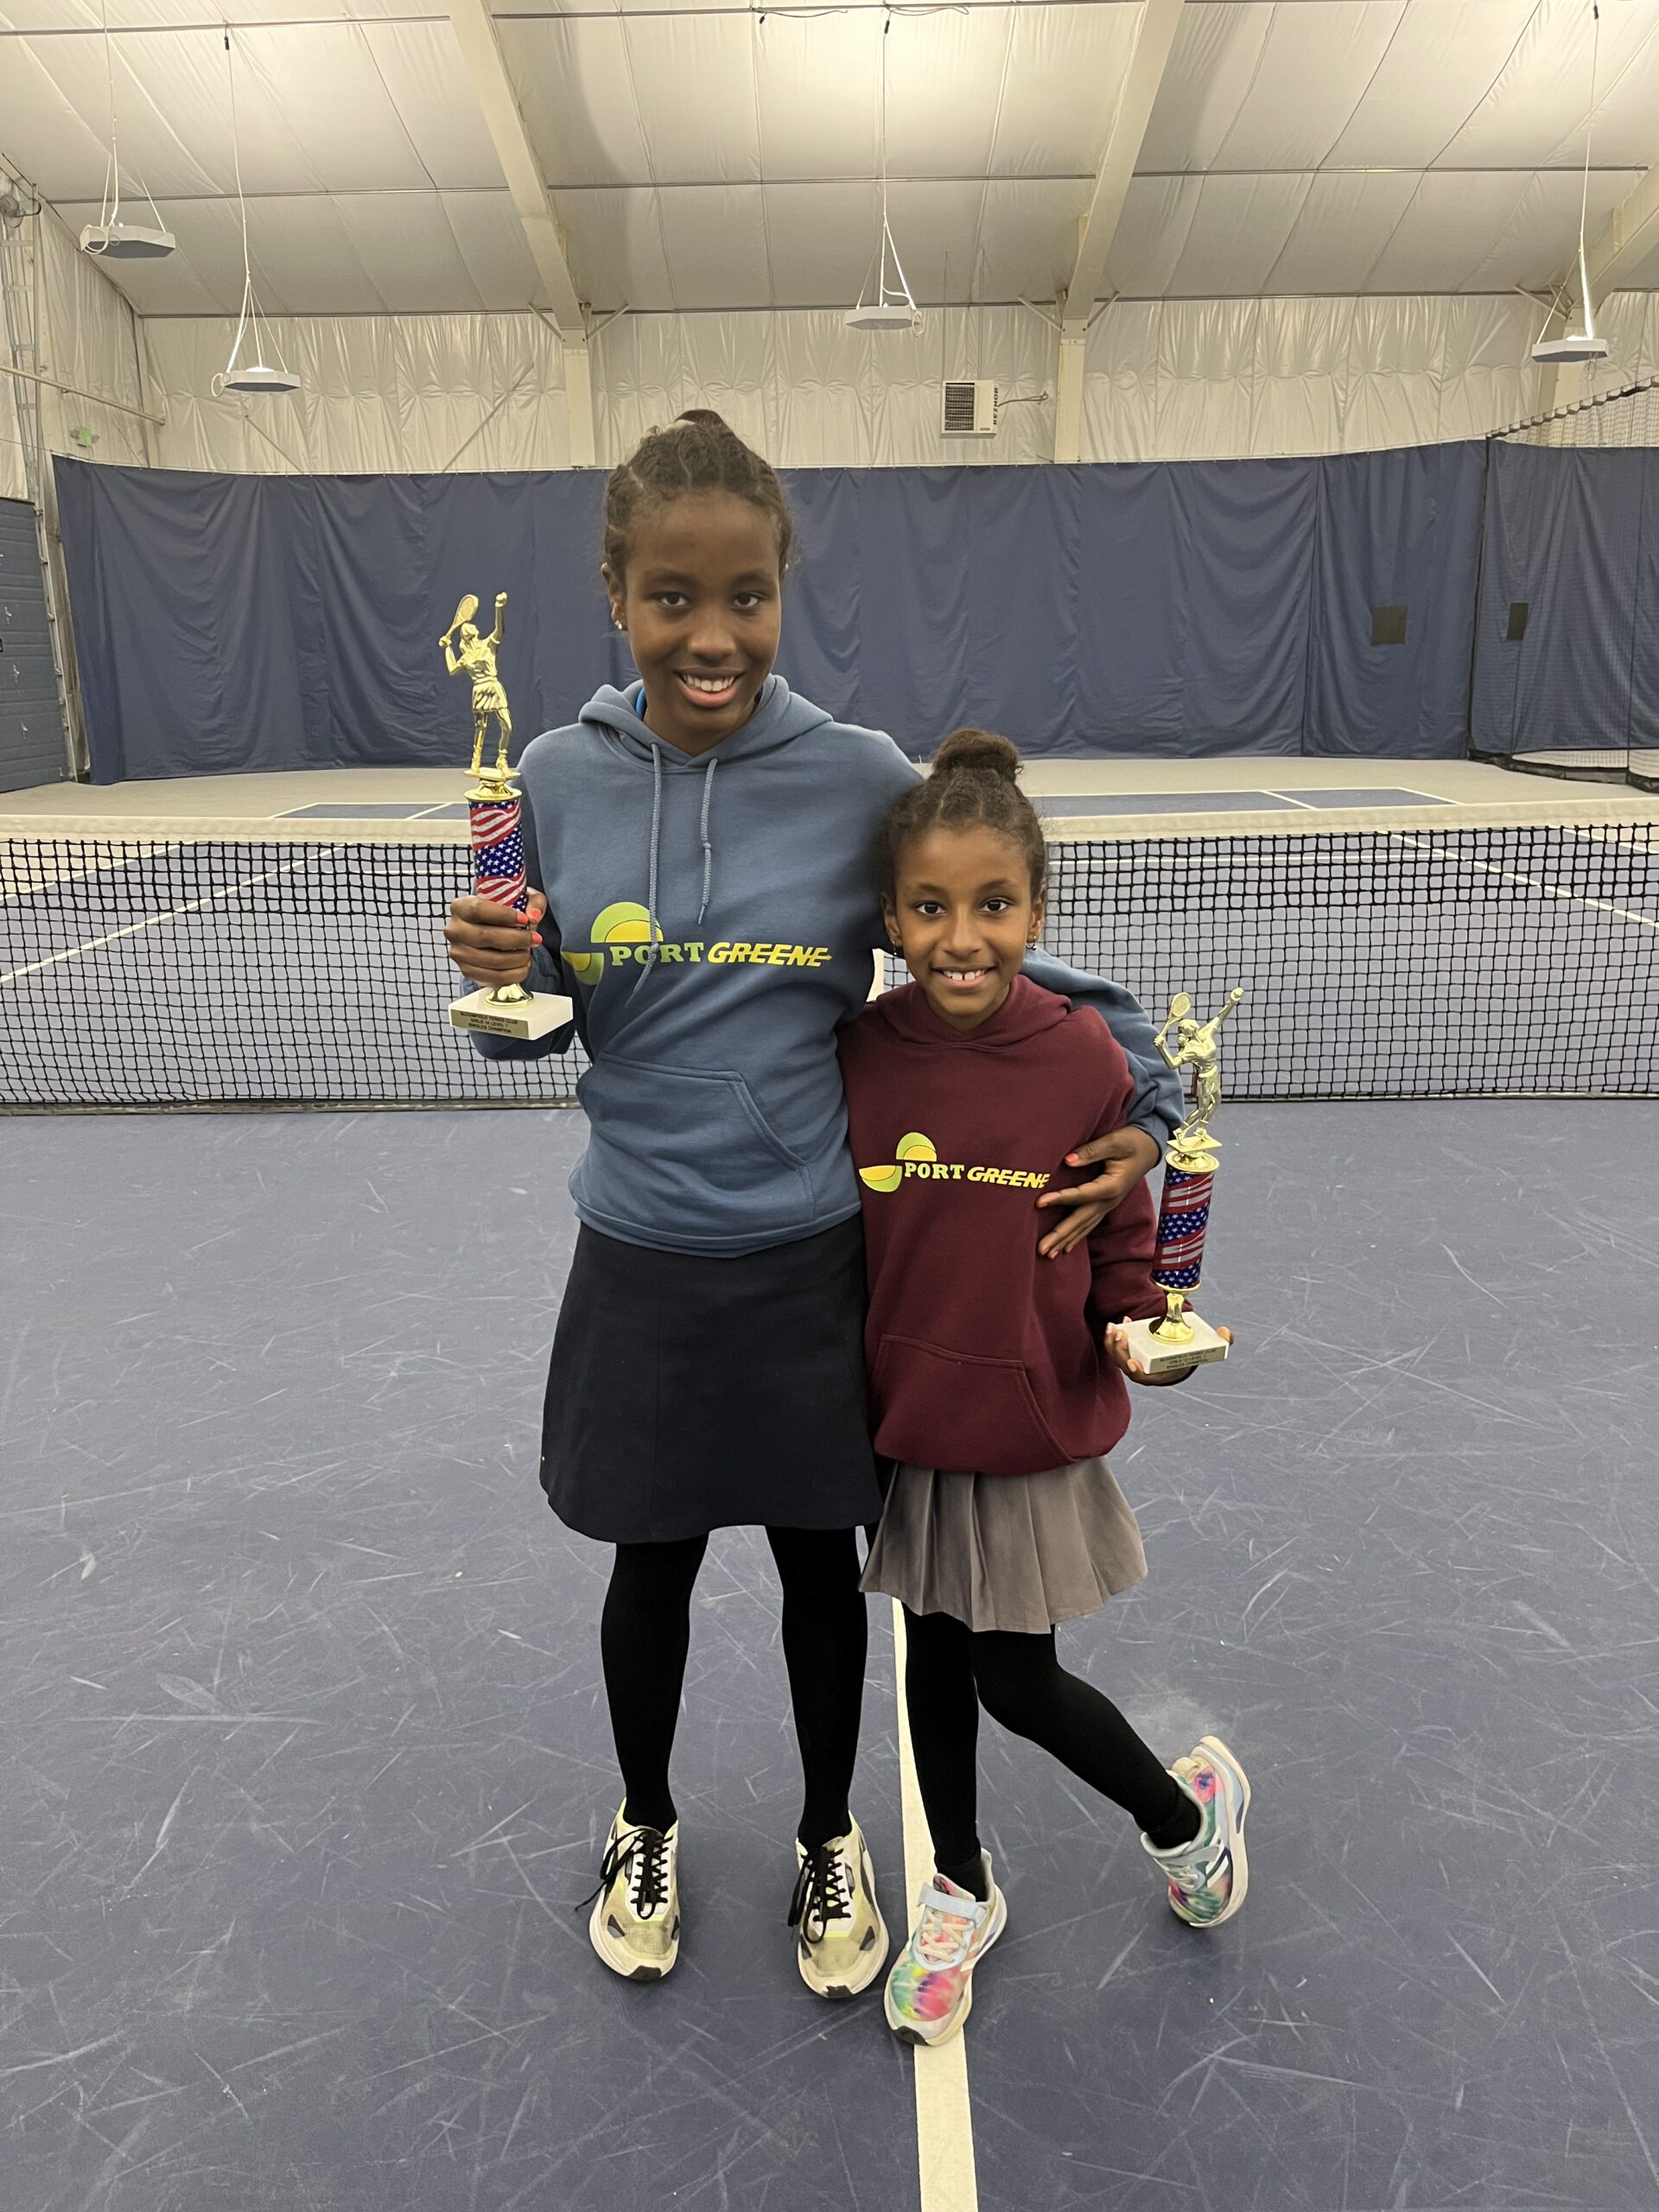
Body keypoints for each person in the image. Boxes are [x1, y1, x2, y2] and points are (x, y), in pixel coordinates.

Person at [442, 412, 1184, 2000]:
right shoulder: (553, 776)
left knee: (812, 1573)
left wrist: (1151, 1113)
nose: (711, 636)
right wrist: (513, 972)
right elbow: (550, 1011)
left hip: (810, 1263)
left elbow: (1020, 969)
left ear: (783, 593)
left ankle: (829, 1832)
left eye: (748, 596)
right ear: (617, 595)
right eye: (672, 598)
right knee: (649, 1570)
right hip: (642, 1255)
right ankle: (645, 1821)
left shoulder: (858, 779)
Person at [838, 728, 1249, 2049]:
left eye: (993, 905)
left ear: (1038, 911)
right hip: (906, 1424)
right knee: (927, 1664)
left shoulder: (1082, 1061)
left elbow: (1122, 1233)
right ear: (890, 916)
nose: (962, 938)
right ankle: (959, 1884)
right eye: (929, 907)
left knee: (1014, 1680)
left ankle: (1183, 1818)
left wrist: (1136, 1322)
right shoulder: (864, 1051)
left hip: (1022, 1427)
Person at [442, 591, 512, 776]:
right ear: (465, 636)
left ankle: (502, 760)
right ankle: (476, 760)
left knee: (507, 725)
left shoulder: (489, 645)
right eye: (466, 627)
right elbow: (452, 670)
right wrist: (448, 648)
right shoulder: (466, 658)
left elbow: (500, 630)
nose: (469, 625)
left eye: (470, 625)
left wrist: (499, 608)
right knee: (481, 728)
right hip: (479, 690)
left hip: (493, 687)